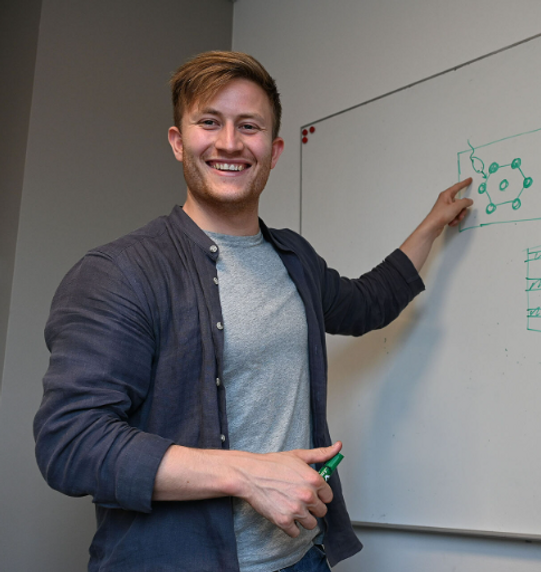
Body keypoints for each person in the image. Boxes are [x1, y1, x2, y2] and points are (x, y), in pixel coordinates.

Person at [33, 51, 472, 572]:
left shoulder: (295, 259)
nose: (229, 143)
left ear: (274, 150)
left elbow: (367, 302)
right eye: (208, 122)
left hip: (303, 557)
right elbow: (71, 442)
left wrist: (432, 223)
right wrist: (246, 474)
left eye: (249, 126)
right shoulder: (120, 272)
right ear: (177, 141)